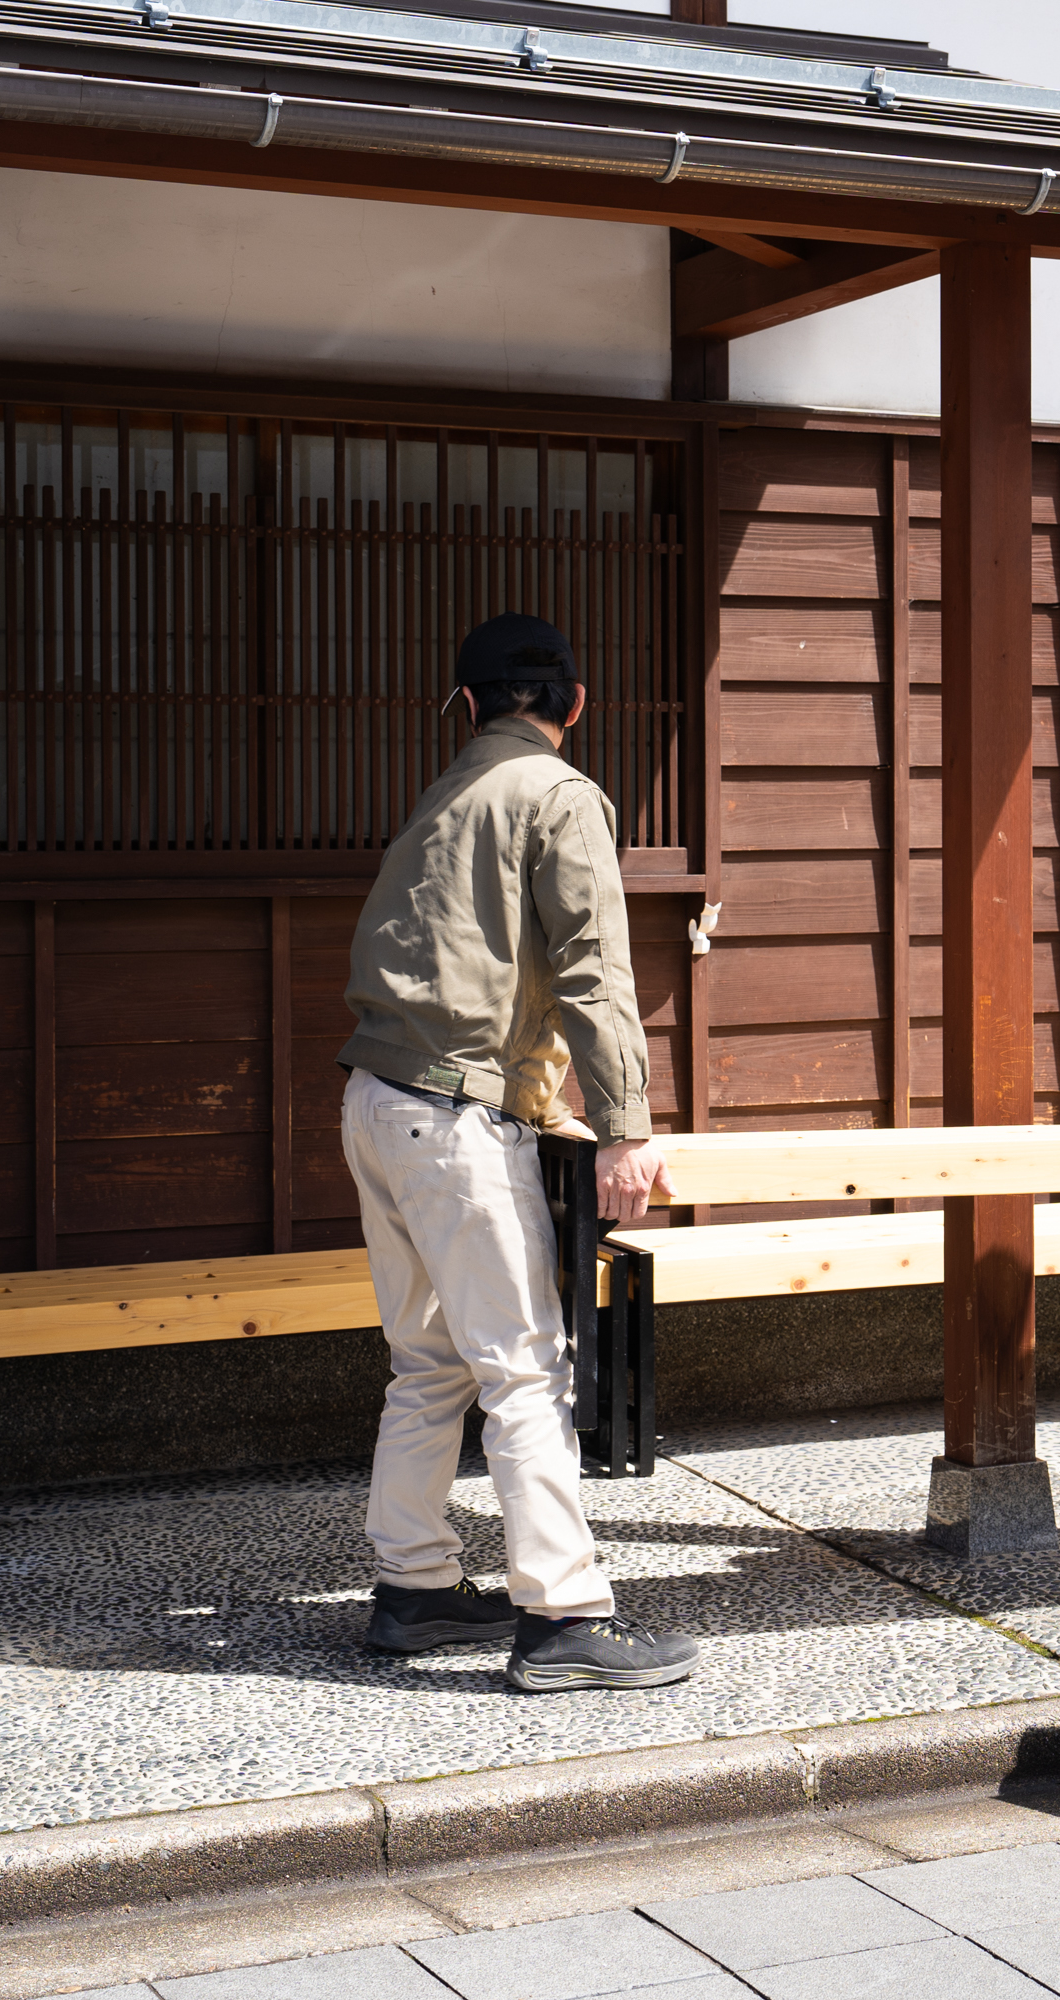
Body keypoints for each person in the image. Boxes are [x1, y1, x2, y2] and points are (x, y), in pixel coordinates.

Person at [337, 612, 698, 1692]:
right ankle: (564, 1615)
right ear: (573, 705)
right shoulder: (559, 795)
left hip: (376, 1100)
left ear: (467, 704)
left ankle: (413, 1588)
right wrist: (626, 1126)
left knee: (429, 1361)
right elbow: (594, 969)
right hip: (455, 1119)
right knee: (526, 1368)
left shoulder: (444, 797)